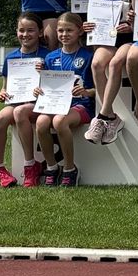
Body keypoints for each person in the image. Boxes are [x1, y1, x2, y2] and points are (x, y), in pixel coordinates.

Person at [83, 0, 138, 144]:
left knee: (116, 63)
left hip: (127, 39)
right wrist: (88, 26)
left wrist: (132, 25)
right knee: (97, 64)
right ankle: (111, 117)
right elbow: (96, 18)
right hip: (107, 38)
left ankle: (103, 115)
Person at [34, 12, 95, 187]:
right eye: (60, 31)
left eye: (69, 30)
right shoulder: (51, 57)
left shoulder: (88, 56)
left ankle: (70, 169)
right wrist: (38, 89)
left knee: (60, 121)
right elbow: (45, 86)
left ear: (80, 31)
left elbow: (98, 91)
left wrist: (86, 92)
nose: (64, 34)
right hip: (55, 105)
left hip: (80, 106)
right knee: (41, 122)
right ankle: (52, 167)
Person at [0, 13, 48, 188]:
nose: (25, 34)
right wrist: (2, 94)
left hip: (39, 103)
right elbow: (5, 86)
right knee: (0, 118)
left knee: (19, 112)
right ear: (16, 32)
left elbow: (55, 83)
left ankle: (30, 165)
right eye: (21, 30)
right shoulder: (11, 57)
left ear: (40, 33)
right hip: (17, 101)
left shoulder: (48, 56)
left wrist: (44, 73)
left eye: (30, 30)